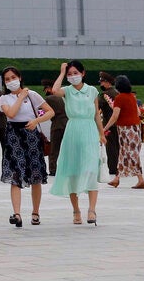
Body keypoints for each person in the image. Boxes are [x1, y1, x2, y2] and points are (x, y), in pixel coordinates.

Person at [49, 61, 105, 226]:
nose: (73, 76)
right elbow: (54, 90)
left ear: (83, 73)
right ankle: (76, 210)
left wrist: (101, 133)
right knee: (73, 171)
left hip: (89, 131)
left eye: (75, 73)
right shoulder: (67, 91)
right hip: (72, 130)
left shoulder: (92, 91)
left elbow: (96, 114)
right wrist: (61, 72)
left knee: (91, 170)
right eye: (70, 74)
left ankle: (92, 209)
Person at [0, 66, 53, 228]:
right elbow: (11, 114)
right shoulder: (4, 99)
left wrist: (36, 121)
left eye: (13, 77)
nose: (11, 81)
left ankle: (35, 212)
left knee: (35, 174)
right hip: (13, 136)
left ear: (20, 77)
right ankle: (17, 213)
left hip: (31, 136)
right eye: (7, 79)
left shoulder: (33, 95)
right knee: (16, 174)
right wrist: (20, 96)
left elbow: (50, 112)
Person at [103, 75, 144, 189]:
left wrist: (105, 128)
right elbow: (138, 113)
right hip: (135, 128)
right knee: (123, 153)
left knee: (131, 153)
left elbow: (115, 116)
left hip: (125, 129)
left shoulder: (119, 98)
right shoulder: (132, 96)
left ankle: (141, 179)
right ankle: (117, 178)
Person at [40, 79, 67, 176]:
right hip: (67, 124)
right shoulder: (63, 97)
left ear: (49, 88)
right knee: (66, 148)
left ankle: (53, 169)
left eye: (46, 89)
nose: (46, 92)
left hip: (57, 125)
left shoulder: (49, 99)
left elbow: (40, 111)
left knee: (54, 149)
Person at [97, 72, 120, 174]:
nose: (101, 85)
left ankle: (113, 169)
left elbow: (96, 109)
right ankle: (119, 167)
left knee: (111, 148)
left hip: (109, 125)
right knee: (118, 146)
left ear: (106, 82)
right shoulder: (117, 92)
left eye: (102, 83)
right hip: (119, 124)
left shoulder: (105, 94)